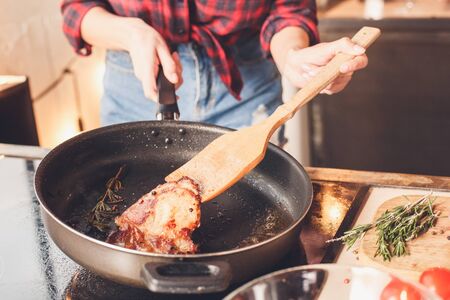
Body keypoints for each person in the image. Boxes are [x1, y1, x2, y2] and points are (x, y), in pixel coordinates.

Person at [61, 1, 368, 142]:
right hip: (135, 80)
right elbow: (77, 8)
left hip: (246, 88)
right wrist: (129, 33)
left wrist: (293, 55)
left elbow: (288, 9)